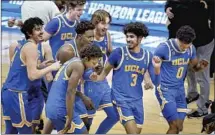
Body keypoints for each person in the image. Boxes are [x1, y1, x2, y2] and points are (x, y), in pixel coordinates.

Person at [92, 22, 160, 134]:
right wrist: (97, 93)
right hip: (120, 99)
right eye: (127, 36)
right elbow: (103, 75)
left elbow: (157, 82)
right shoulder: (118, 53)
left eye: (132, 37)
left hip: (137, 100)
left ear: (140, 38)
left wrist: (156, 69)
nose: (128, 39)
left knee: (134, 131)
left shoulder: (148, 56)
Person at [1, 17, 61, 134]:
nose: (42, 32)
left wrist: (42, 65)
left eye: (42, 28)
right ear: (29, 33)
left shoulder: (25, 45)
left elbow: (25, 68)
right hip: (17, 93)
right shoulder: (31, 47)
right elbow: (32, 76)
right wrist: (51, 68)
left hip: (9, 92)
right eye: (37, 29)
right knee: (27, 131)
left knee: (11, 131)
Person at [154, 25, 209, 134]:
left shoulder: (190, 48)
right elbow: (152, 69)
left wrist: (200, 67)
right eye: (182, 45)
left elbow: (194, 68)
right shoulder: (164, 48)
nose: (184, 48)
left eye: (187, 45)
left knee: (179, 127)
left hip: (179, 90)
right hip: (165, 90)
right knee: (174, 126)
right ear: (177, 39)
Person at [43, 45, 103, 134]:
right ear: (86, 59)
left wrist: (82, 96)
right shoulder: (79, 66)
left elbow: (67, 88)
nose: (95, 65)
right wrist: (70, 117)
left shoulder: (74, 61)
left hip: (53, 106)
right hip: (60, 108)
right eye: (94, 63)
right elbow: (70, 92)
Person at [81, 9, 119, 133]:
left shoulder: (107, 36)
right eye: (103, 24)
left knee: (114, 115)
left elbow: (110, 53)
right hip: (88, 81)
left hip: (101, 80)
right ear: (95, 23)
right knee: (87, 121)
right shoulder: (87, 38)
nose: (106, 27)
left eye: (108, 24)